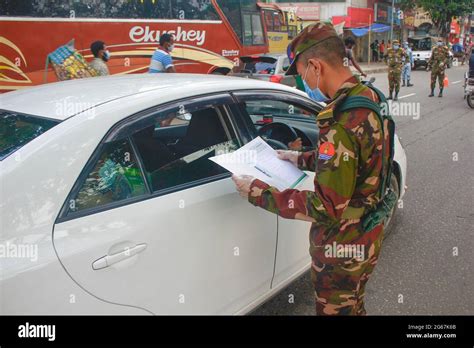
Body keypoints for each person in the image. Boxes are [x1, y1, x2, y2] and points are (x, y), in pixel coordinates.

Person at [232, 22, 391, 316]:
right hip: (367, 236)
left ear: (315, 66)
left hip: (342, 249)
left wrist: (258, 192)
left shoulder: (340, 122)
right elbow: (353, 161)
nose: (303, 82)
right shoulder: (366, 98)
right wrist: (301, 157)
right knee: (354, 307)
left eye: (302, 73)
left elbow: (326, 207)